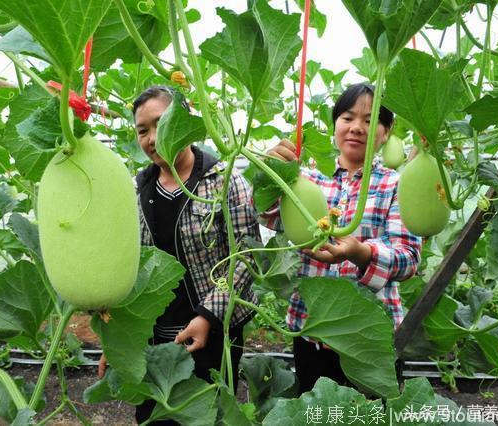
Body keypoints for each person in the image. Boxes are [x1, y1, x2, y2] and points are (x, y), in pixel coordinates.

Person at [111, 85, 260, 424]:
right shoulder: (137, 189)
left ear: (184, 120)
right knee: (154, 416)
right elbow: (129, 261)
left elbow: (247, 256)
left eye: (160, 124)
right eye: (142, 131)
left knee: (208, 414)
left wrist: (208, 315)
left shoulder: (223, 182)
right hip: (155, 337)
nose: (151, 139)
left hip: (212, 331)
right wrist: (120, 337)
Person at [262, 83, 422, 394]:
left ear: (386, 131)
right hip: (311, 331)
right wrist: (270, 172)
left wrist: (361, 253)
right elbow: (268, 215)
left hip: (370, 338)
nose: (357, 128)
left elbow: (408, 259)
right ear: (335, 123)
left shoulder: (397, 184)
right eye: (348, 117)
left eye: (369, 119)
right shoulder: (306, 179)